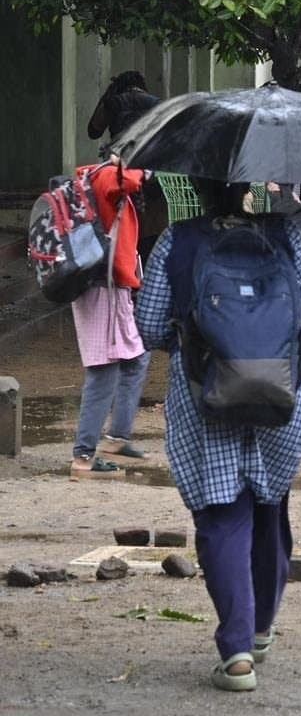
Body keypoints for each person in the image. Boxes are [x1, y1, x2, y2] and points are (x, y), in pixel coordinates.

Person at [134, 179, 301, 692]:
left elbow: (152, 326)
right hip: (281, 390)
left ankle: (238, 652)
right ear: (247, 184)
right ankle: (262, 627)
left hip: (204, 396)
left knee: (223, 515)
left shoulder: (175, 242)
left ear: (195, 188)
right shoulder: (285, 233)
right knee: (269, 505)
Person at [69, 158, 153, 477]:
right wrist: (139, 168)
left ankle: (117, 437)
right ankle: (83, 456)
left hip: (111, 284)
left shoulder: (96, 177)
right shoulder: (105, 176)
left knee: (136, 359)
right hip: (103, 286)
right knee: (103, 370)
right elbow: (127, 183)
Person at [87, 70, 161, 146]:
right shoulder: (157, 104)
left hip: (119, 152)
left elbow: (94, 132)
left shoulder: (114, 102)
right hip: (146, 151)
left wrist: (107, 96)